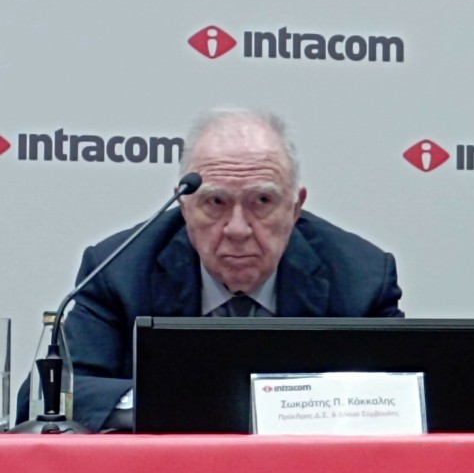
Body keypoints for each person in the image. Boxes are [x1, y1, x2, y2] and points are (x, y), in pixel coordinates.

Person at [20, 107, 404, 432]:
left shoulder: (362, 278)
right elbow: (49, 397)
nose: (237, 229)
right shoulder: (119, 269)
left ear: (295, 207)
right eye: (215, 202)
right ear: (184, 206)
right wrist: (189, 404)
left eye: (262, 201)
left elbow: (403, 399)